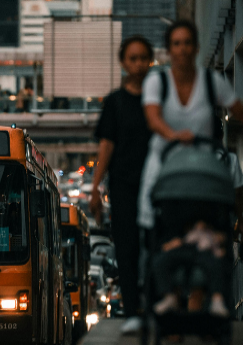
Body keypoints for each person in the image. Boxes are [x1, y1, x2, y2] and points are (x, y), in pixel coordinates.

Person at [137, 20, 243, 232]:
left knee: (209, 226)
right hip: (164, 164)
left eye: (187, 43)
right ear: (169, 50)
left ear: (196, 48)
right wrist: (174, 135)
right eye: (176, 43)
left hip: (200, 166)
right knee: (155, 229)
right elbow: (153, 119)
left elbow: (240, 112)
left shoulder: (212, 81)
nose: (182, 48)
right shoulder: (156, 83)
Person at [90, 35, 155, 334]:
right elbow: (106, 146)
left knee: (155, 247)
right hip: (123, 187)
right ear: (123, 62)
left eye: (144, 58)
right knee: (126, 249)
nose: (139, 63)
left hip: (156, 185)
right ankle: (132, 311)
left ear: (150, 60)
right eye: (133, 58)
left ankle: (155, 306)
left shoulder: (159, 98)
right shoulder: (114, 102)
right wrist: (95, 188)